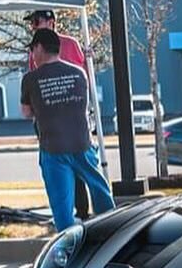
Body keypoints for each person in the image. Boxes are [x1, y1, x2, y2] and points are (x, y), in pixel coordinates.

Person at [21, 28, 115, 231]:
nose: (32, 55)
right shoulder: (79, 72)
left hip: (53, 149)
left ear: (39, 47)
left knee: (62, 208)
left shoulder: (30, 79)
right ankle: (113, 231)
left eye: (32, 49)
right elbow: (84, 104)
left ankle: (69, 249)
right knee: (101, 192)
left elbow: (27, 112)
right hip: (83, 143)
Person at [27, 9, 91, 219]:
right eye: (32, 23)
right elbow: (32, 81)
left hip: (71, 115)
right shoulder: (34, 50)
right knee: (55, 166)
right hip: (47, 119)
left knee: (78, 160)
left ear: (51, 22)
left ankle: (81, 210)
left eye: (36, 21)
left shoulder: (70, 44)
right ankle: (64, 213)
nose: (33, 26)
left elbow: (84, 74)